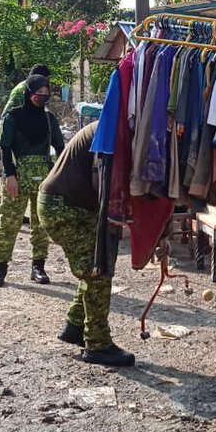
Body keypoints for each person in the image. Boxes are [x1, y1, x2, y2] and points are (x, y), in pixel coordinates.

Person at [37, 121, 135, 367]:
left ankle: (75, 325)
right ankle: (97, 345)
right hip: (65, 207)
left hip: (63, 203)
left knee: (91, 266)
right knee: (97, 271)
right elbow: (100, 182)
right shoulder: (111, 131)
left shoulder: (112, 126)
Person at [0, 74, 65, 287]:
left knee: (41, 225)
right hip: (16, 179)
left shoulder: (49, 120)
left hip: (44, 180)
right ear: (29, 92)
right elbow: (5, 149)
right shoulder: (13, 117)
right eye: (38, 92)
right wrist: (10, 175)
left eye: (46, 93)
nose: (42, 97)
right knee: (9, 224)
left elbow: (60, 148)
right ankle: (0, 268)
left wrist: (59, 176)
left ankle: (38, 267)